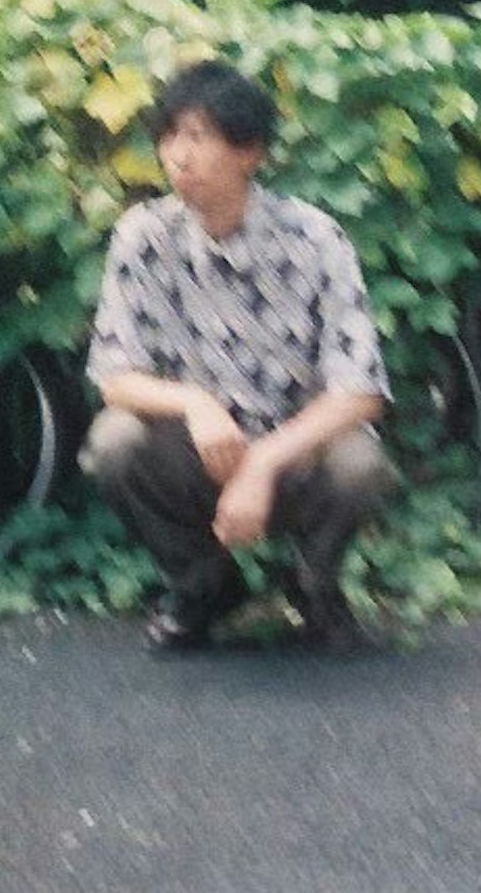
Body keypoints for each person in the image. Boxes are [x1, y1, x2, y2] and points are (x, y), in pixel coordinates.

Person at [81, 58, 396, 652]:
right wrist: (194, 403)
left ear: (249, 152)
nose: (179, 156)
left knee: (360, 465)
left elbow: (361, 391)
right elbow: (114, 374)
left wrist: (263, 461)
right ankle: (203, 583)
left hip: (296, 449)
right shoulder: (143, 236)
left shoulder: (315, 238)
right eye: (169, 138)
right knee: (113, 442)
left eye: (198, 138)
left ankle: (314, 584)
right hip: (199, 450)